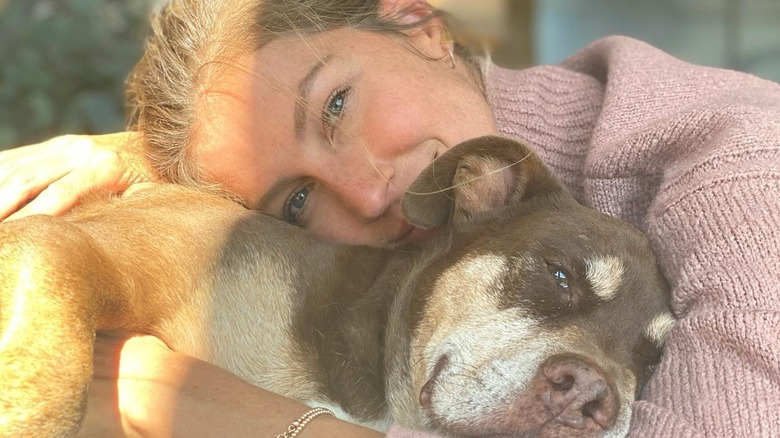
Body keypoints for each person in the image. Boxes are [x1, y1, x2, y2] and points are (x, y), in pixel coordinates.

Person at [1, 0, 779, 436]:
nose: (371, 196)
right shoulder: (420, 242)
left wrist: (253, 420)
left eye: (339, 105)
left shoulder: (741, 173)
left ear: (419, 20)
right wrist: (135, 157)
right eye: (298, 201)